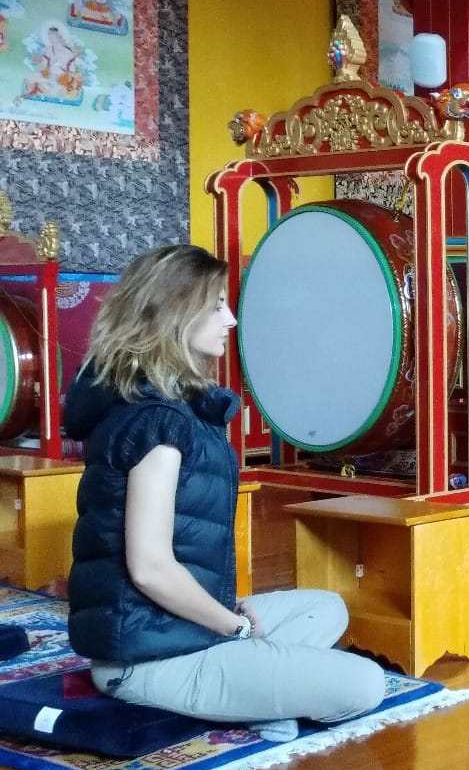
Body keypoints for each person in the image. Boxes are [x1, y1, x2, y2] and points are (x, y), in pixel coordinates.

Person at [65, 245, 384, 741]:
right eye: (216, 305)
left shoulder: (169, 406)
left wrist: (226, 614)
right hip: (144, 659)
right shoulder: (156, 425)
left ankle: (251, 690)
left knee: (327, 607)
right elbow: (149, 569)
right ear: (174, 312)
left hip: (180, 630)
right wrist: (230, 626)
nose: (230, 319)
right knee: (365, 683)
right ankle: (249, 688)